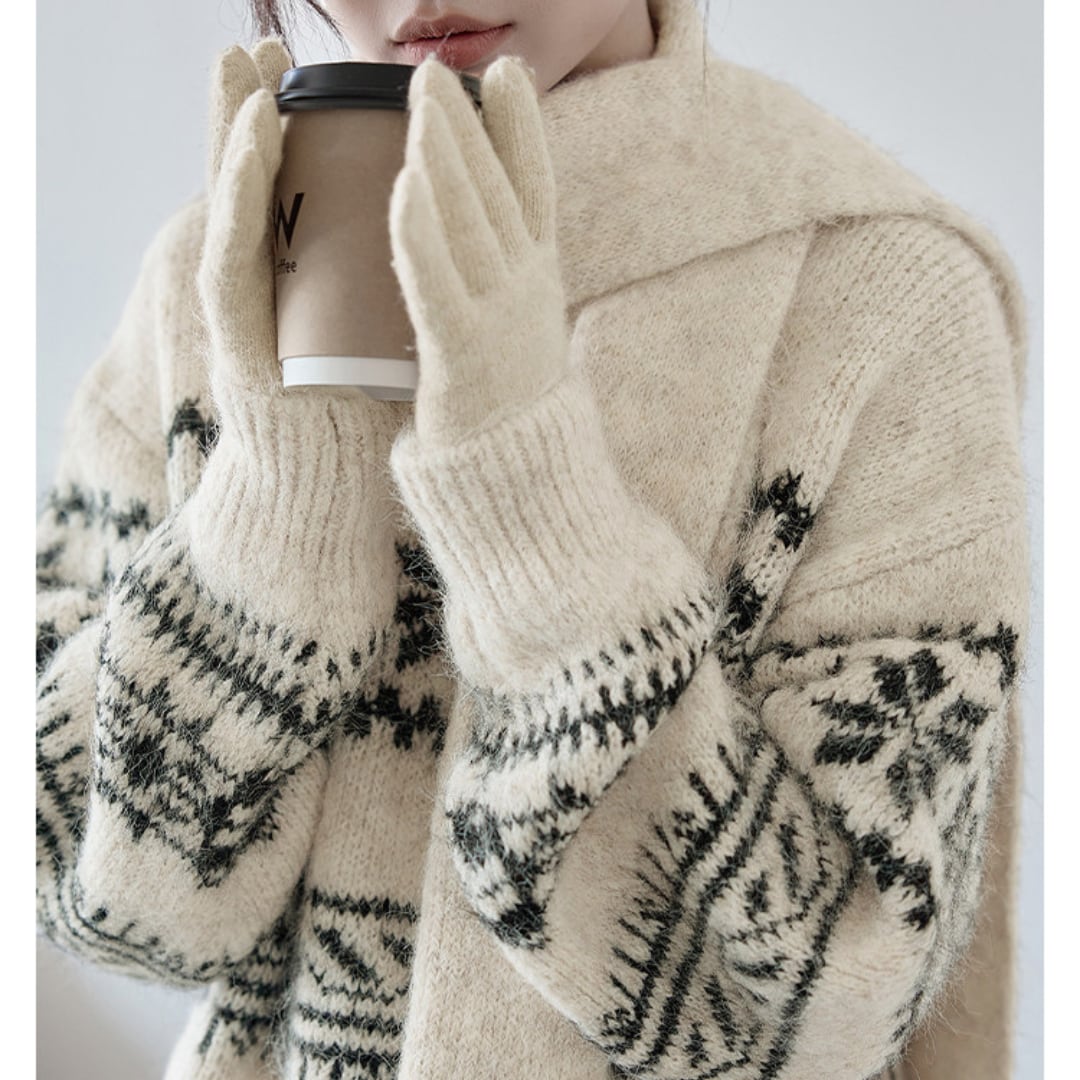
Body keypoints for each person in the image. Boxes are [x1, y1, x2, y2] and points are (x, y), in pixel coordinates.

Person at [35, 0, 1031, 1078]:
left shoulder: (882, 299)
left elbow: (829, 1008)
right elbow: (90, 899)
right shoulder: (216, 277)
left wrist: (534, 511)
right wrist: (278, 507)